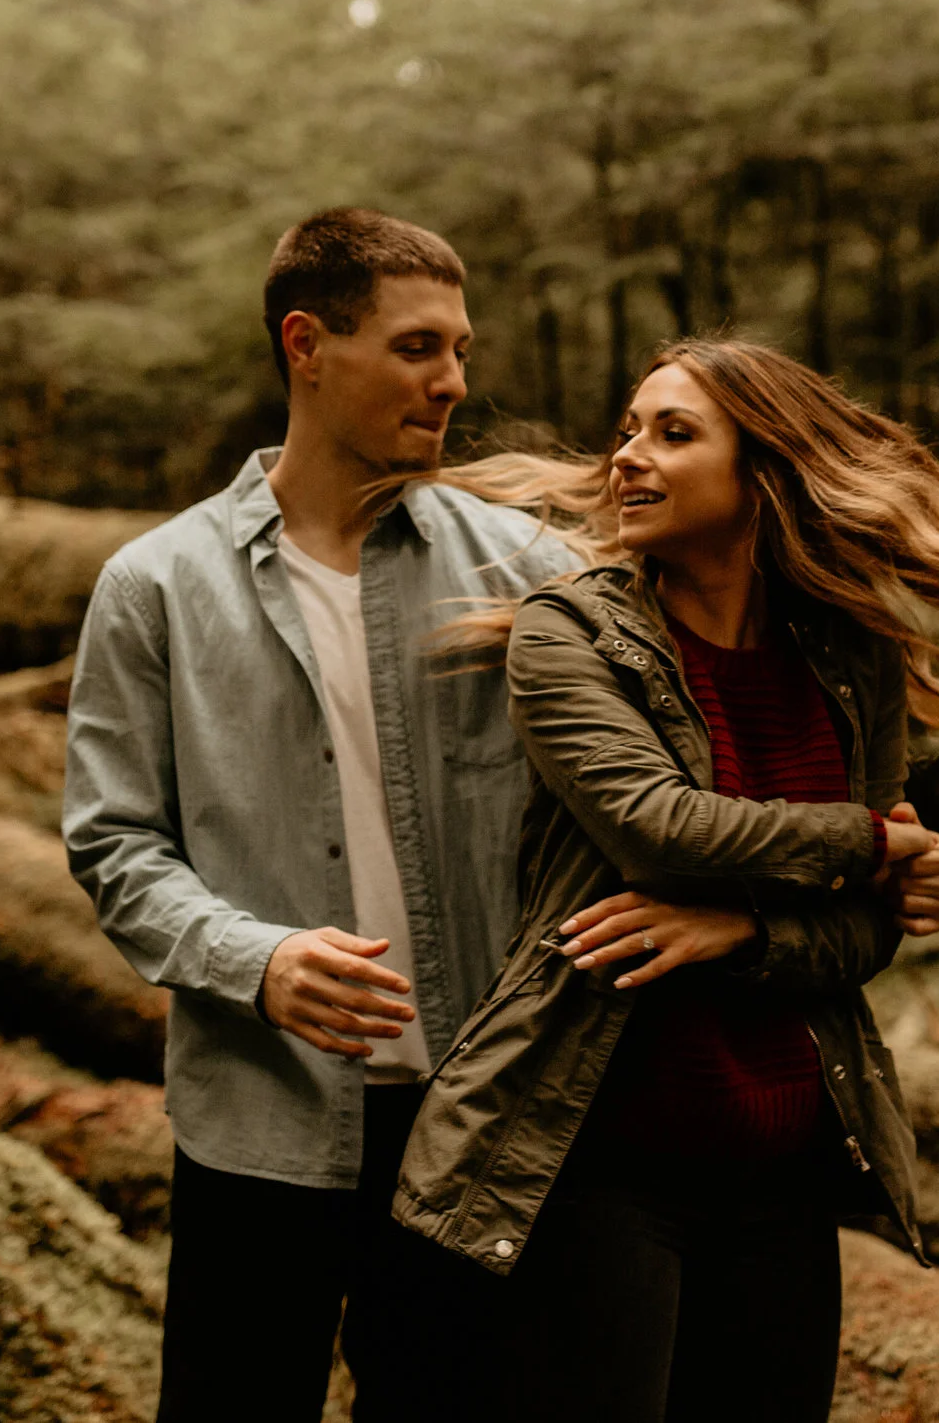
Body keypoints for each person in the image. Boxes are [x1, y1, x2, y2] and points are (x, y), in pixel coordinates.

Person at [393, 337, 939, 1423]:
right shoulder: (570, 631)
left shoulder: (847, 648)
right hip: (595, 1153)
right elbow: (661, 831)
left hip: (781, 1163)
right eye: (627, 432)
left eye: (672, 433)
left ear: (765, 470)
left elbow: (868, 934)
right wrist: (877, 846)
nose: (628, 459)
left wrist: (740, 934)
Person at [62, 208, 577, 1423]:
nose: (452, 381)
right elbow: (114, 843)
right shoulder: (156, 585)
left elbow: (627, 796)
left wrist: (854, 840)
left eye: (458, 348)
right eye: (415, 348)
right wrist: (261, 956)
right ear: (306, 342)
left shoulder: (529, 573)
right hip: (261, 1120)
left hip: (475, 1116)